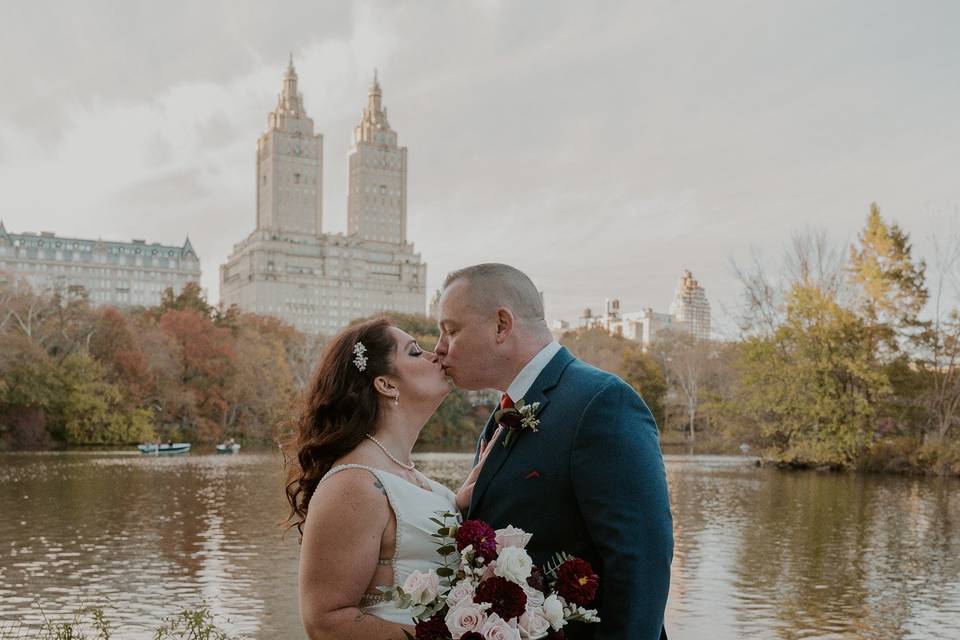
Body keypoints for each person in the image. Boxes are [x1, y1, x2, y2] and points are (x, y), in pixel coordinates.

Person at [436, 263, 673, 640]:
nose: (440, 348)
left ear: (501, 325)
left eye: (451, 330)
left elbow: (641, 565)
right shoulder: (501, 417)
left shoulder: (601, 403)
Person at [285, 318, 455, 639]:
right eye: (416, 352)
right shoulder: (354, 484)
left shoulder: (414, 478)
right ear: (386, 384)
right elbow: (324, 622)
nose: (436, 355)